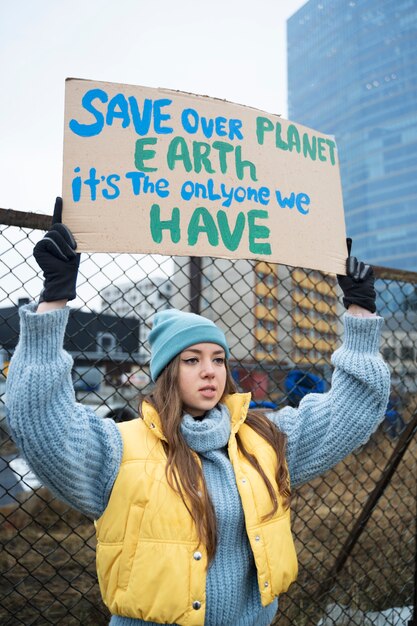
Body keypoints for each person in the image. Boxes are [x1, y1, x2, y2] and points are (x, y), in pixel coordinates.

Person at [6, 198, 390, 626]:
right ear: (168, 373)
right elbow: (38, 419)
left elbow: (353, 411)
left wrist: (360, 311)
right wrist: (53, 302)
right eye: (192, 360)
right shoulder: (121, 449)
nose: (210, 372)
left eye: (218, 359)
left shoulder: (262, 441)